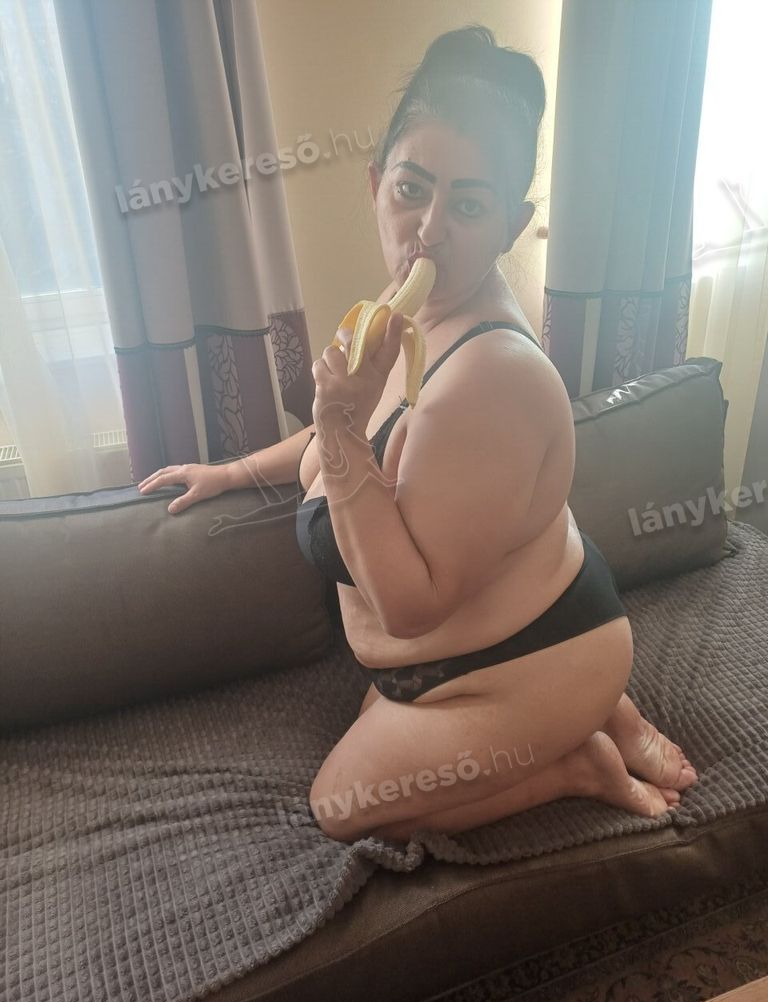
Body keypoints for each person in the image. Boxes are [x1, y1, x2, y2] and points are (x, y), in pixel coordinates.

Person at [138, 25, 698, 844]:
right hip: (453, 663)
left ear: (511, 224)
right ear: (375, 184)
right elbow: (345, 435)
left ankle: (578, 758)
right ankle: (597, 715)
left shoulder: (491, 379)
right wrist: (232, 473)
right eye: (412, 190)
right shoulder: (404, 309)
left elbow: (408, 604)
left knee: (340, 808)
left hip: (527, 661)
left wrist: (335, 425)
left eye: (468, 205)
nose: (429, 230)